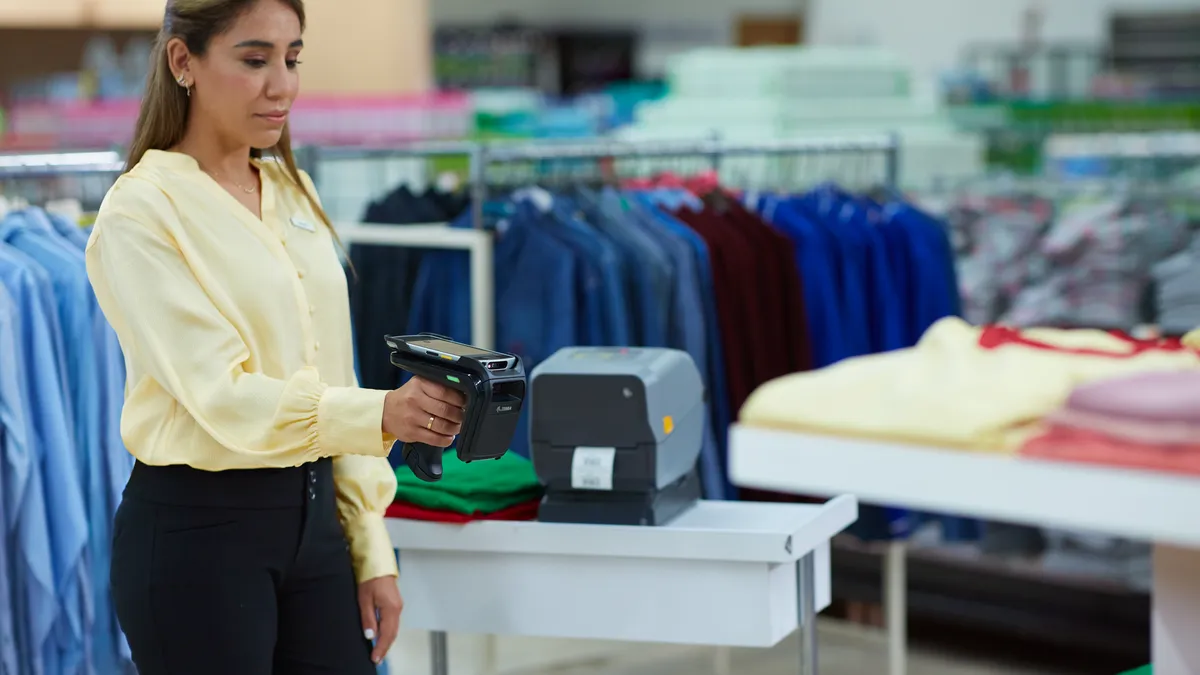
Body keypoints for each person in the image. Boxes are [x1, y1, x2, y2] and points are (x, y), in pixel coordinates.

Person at [84, 0, 468, 673]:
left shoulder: (293, 189)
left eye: (292, 59)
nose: (282, 85)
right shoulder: (140, 211)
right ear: (184, 62)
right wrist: (383, 413)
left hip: (316, 526)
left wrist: (370, 546)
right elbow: (219, 394)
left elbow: (332, 374)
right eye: (255, 59)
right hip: (198, 536)